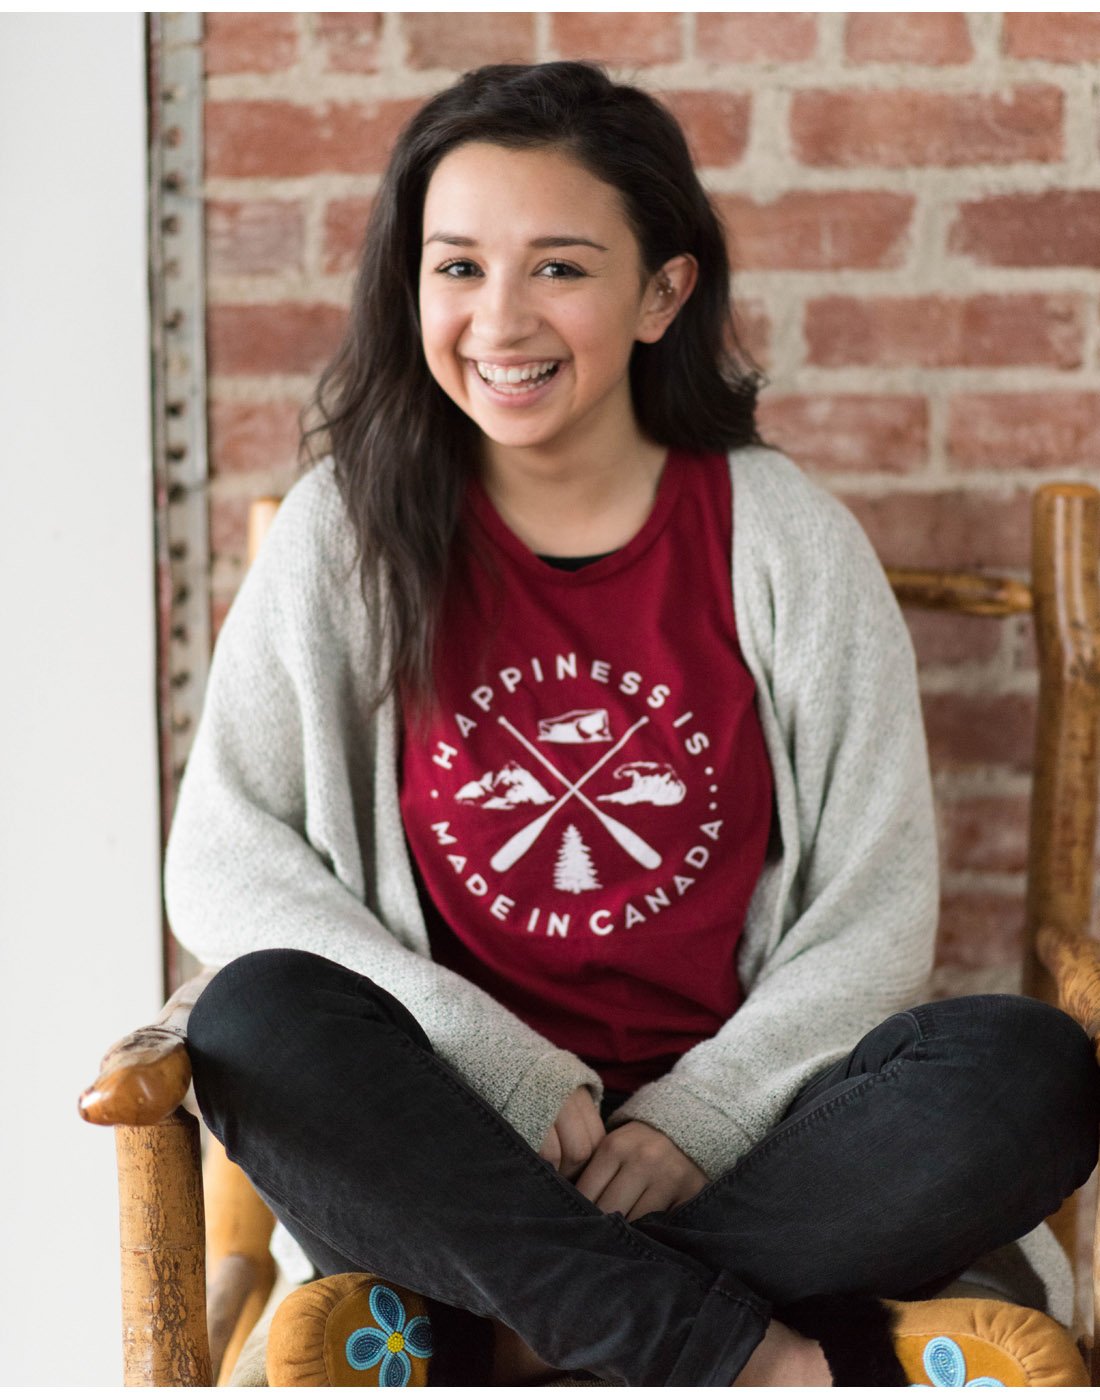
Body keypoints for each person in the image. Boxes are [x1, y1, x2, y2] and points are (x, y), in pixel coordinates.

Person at [171, 61, 1100, 1386]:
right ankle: (745, 1352)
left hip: (760, 1138)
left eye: (558, 267)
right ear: (408, 285)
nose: (499, 317)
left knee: (1027, 1067)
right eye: (455, 268)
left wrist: (699, 1118)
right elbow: (224, 863)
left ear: (663, 292)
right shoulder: (345, 531)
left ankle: (524, 1322)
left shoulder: (786, 540)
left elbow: (878, 905)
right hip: (452, 1134)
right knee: (256, 1021)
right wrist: (508, 1073)